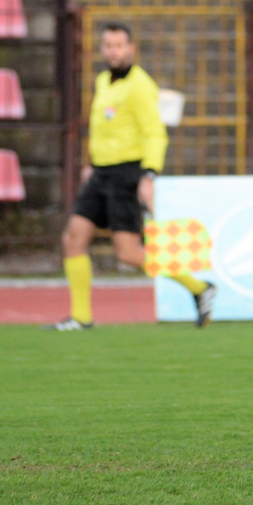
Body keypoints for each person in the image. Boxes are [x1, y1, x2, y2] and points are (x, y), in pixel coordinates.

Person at [50, 24, 214, 331]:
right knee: (74, 238)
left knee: (128, 253)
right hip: (100, 172)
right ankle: (81, 317)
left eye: (119, 45)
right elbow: (104, 127)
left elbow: (154, 132)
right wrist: (91, 162)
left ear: (131, 49)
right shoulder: (103, 81)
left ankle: (198, 288)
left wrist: (148, 174)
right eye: (108, 45)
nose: (113, 51)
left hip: (126, 173)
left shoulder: (140, 85)